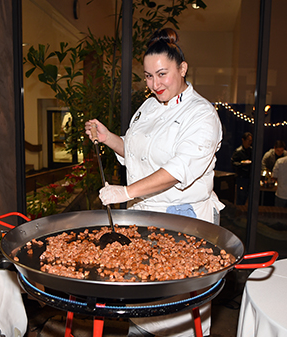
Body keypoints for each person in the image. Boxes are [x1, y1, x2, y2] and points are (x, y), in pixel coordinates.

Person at [84, 28, 223, 337]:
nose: (155, 84)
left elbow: (177, 170)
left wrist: (127, 191)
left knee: (176, 306)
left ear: (182, 68)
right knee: (145, 291)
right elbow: (136, 153)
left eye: (162, 74)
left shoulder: (201, 114)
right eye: (148, 76)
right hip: (144, 212)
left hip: (181, 216)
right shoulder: (148, 106)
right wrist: (109, 139)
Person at [231, 132, 253, 205]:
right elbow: (233, 163)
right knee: (241, 197)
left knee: (248, 196)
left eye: (251, 141)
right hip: (241, 177)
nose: (249, 142)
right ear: (243, 140)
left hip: (250, 176)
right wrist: (241, 164)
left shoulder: (251, 150)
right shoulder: (238, 151)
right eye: (248, 140)